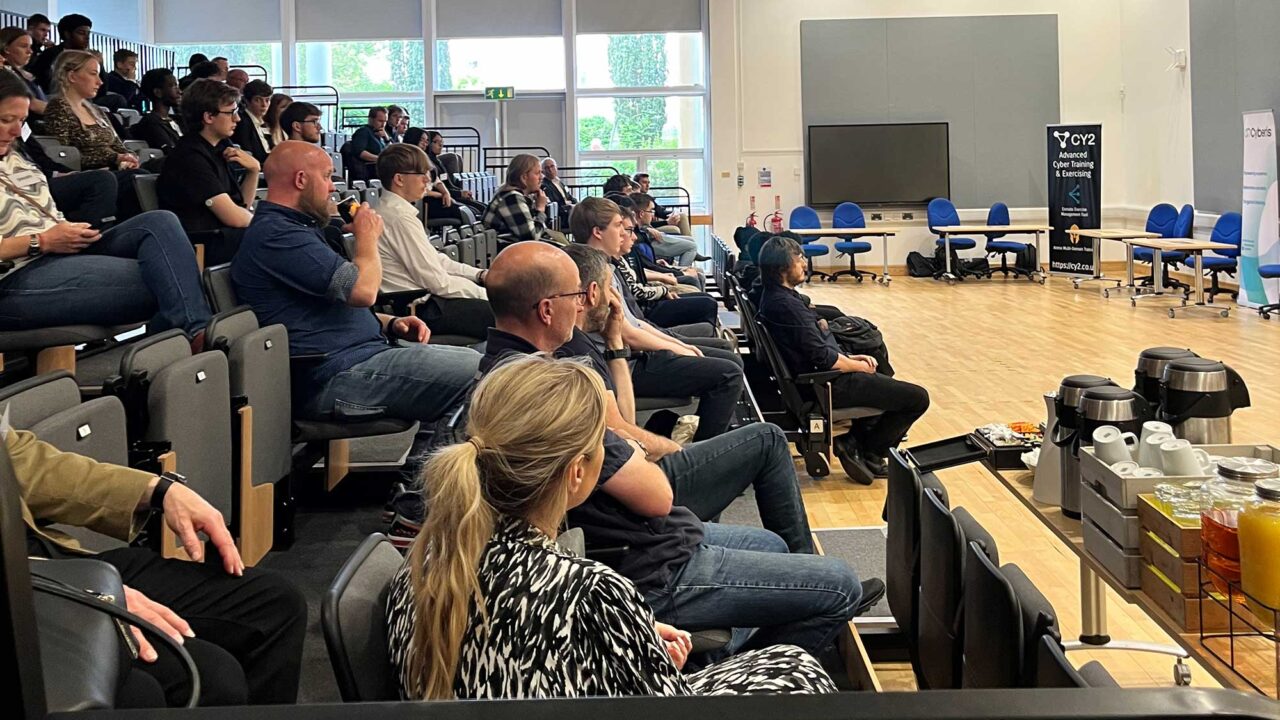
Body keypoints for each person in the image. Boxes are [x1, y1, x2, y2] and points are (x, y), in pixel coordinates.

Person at [475, 246, 875, 658]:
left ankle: (737, 641)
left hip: (640, 536)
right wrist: (637, 448)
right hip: (644, 563)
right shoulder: (548, 387)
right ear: (545, 310)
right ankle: (738, 674)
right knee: (839, 583)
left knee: (774, 548)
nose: (582, 303)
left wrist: (626, 423)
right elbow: (658, 494)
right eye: (574, 296)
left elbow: (621, 430)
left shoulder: (508, 370)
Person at [386, 354, 839, 699]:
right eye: (606, 443)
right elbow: (666, 704)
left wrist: (631, 635)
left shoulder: (426, 558)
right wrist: (628, 631)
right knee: (795, 662)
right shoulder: (591, 592)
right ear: (576, 474)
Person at [5, 426, 306, 706]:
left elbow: (20, 461)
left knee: (275, 603)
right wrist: (82, 592)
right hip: (31, 589)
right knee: (208, 676)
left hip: (54, 560)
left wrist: (160, 491)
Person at [231, 140, 481, 422]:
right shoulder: (277, 235)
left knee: (491, 363)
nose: (332, 187)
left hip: (363, 354)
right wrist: (367, 238)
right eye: (326, 176)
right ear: (301, 179)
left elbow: (320, 304)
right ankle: (436, 464)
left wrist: (389, 322)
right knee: (486, 374)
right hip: (334, 374)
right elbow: (363, 291)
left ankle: (427, 460)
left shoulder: (297, 228)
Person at [0, 71, 211, 343]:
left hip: (56, 249)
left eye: (22, 121)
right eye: (6, 120)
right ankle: (194, 338)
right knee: (169, 281)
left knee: (159, 222)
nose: (17, 131)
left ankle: (186, 339)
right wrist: (42, 241)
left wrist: (63, 231)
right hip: (15, 275)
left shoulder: (15, 155)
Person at [756, 236, 930, 484]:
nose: (805, 263)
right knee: (917, 398)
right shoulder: (786, 305)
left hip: (821, 378)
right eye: (799, 259)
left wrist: (848, 357)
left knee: (881, 370)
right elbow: (822, 357)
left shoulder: (777, 297)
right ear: (783, 267)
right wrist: (855, 365)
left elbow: (819, 348)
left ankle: (853, 441)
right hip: (825, 385)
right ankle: (869, 450)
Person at [573, 197, 743, 441]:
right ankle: (706, 451)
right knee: (728, 374)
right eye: (618, 225)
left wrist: (680, 346)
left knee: (728, 359)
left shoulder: (606, 265)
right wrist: (678, 348)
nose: (624, 233)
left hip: (634, 354)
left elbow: (635, 323)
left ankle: (717, 434)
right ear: (598, 232)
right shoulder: (594, 273)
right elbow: (627, 333)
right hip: (625, 363)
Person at [376, 143, 492, 341]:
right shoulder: (398, 218)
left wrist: (479, 275)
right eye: (421, 173)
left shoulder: (397, 212)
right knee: (512, 317)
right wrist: (485, 293)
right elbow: (438, 282)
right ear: (399, 179)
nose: (428, 180)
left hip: (426, 300)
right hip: (420, 309)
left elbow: (436, 260)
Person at [158, 78, 258, 264]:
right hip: (204, 241)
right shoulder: (189, 156)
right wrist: (273, 225)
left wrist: (253, 171)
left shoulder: (221, 148)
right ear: (209, 117)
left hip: (225, 234)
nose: (237, 118)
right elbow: (234, 218)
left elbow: (240, 205)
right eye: (231, 113)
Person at [42, 50, 136, 172]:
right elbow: (64, 156)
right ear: (72, 76)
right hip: (92, 176)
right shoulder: (59, 108)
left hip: (113, 171)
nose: (100, 81)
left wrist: (130, 157)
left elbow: (119, 146)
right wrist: (114, 158)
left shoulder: (95, 110)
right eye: (93, 74)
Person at [483, 153, 566, 244]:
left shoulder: (514, 195)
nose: (542, 177)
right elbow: (531, 238)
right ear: (524, 177)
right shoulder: (511, 198)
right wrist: (540, 209)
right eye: (538, 173)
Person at [420, 129, 485, 215]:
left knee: (482, 208)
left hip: (447, 194)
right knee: (473, 212)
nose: (441, 144)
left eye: (442, 141)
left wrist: (461, 192)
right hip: (436, 200)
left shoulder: (438, 161)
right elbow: (433, 188)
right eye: (436, 142)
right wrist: (459, 193)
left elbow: (447, 184)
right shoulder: (426, 162)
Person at [632, 191, 704, 265]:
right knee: (692, 246)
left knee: (690, 240)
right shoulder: (635, 227)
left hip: (652, 235)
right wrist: (646, 229)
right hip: (651, 241)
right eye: (651, 211)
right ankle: (684, 271)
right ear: (641, 214)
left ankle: (692, 255)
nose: (653, 215)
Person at [29, 13, 91, 93]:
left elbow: (101, 89)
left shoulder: (88, 57)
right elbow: (46, 84)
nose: (87, 37)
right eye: (81, 33)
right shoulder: (51, 54)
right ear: (67, 34)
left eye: (88, 33)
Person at [132, 68, 182, 153]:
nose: (179, 91)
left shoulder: (178, 119)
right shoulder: (151, 123)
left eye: (177, 86)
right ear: (158, 92)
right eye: (173, 86)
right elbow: (169, 151)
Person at [0, 27, 47, 116]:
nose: (30, 51)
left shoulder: (27, 74)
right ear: (6, 49)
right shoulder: (5, 74)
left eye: (30, 46)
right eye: (24, 46)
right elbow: (33, 104)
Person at [232, 79, 273, 164]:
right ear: (247, 101)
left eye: (267, 100)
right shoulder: (242, 123)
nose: (264, 105)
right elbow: (249, 154)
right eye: (258, 100)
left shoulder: (267, 121)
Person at [348, 105, 388, 181]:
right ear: (371, 119)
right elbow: (360, 152)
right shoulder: (363, 132)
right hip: (369, 171)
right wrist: (380, 159)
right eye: (380, 121)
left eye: (385, 121)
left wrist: (387, 139)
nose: (383, 125)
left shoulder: (379, 134)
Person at [540, 156, 575, 226]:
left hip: (569, 213)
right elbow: (553, 205)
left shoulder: (560, 182)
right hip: (560, 218)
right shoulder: (544, 186)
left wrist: (578, 205)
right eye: (547, 168)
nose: (550, 170)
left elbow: (570, 197)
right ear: (543, 171)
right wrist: (569, 207)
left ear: (556, 168)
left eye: (552, 166)